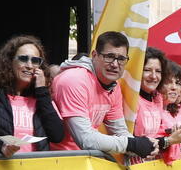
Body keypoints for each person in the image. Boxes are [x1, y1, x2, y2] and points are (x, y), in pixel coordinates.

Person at [49, 31, 159, 160]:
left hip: (87, 161)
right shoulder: (74, 79)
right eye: (109, 56)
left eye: (121, 59)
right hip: (58, 161)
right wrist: (132, 144)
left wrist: (146, 146)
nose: (115, 64)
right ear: (95, 55)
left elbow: (120, 131)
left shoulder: (114, 86)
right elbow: (85, 140)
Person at [0, 35, 66, 156]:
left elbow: (57, 135)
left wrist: (42, 91)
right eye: (23, 59)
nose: (29, 65)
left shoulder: (42, 98)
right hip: (3, 169)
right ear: (10, 61)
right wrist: (3, 147)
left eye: (35, 61)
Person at [134, 47, 181, 162]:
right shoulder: (131, 99)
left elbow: (158, 136)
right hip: (129, 168)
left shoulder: (157, 99)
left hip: (150, 167)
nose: (153, 76)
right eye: (147, 70)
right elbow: (126, 139)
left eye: (158, 71)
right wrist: (170, 139)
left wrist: (176, 135)